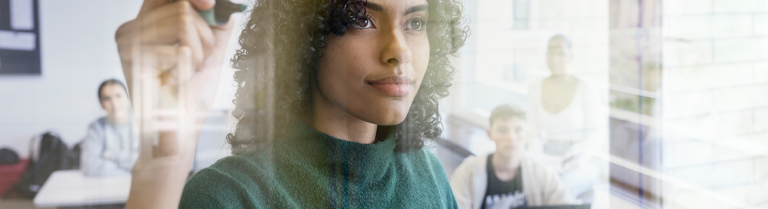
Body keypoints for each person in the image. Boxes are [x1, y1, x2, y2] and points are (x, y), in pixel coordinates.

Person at [114, 0, 468, 208]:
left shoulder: (429, 174)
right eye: (361, 19)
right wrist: (163, 165)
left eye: (415, 23)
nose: (400, 51)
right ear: (305, 34)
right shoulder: (230, 196)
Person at [526, 35, 607, 199]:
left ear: (571, 56)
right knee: (532, 185)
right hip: (547, 157)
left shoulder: (585, 88)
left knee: (557, 190)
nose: (555, 59)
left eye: (561, 54)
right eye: (551, 53)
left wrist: (579, 159)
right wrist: (539, 160)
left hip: (579, 160)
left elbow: (597, 133)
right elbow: (533, 132)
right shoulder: (535, 88)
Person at [450, 105, 577, 209]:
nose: (511, 137)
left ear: (526, 134)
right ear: (489, 134)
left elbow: (567, 204)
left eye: (518, 130)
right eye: (503, 130)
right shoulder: (467, 174)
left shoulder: (541, 171)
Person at [80, 79, 138, 176]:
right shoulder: (96, 127)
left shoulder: (142, 126)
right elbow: (89, 167)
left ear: (128, 98)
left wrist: (111, 159)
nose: (114, 103)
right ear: (101, 104)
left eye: (118, 96)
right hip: (105, 186)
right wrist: (131, 171)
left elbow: (147, 166)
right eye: (107, 98)